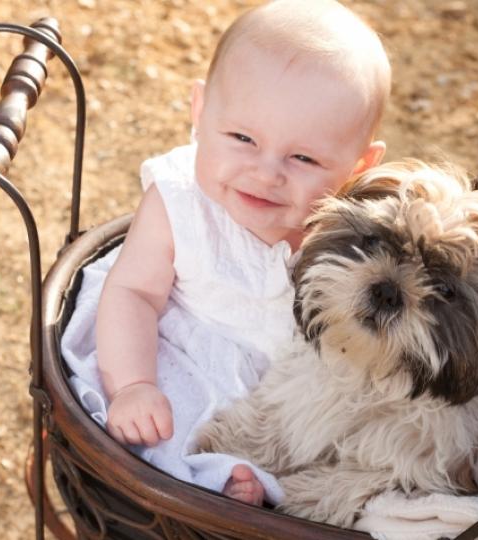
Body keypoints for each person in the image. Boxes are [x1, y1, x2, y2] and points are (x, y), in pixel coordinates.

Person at [60, 0, 390, 507]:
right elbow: (133, 295)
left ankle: (250, 488)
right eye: (242, 138)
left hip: (279, 389)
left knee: (336, 436)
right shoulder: (179, 204)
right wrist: (133, 383)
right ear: (199, 112)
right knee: (163, 422)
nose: (266, 172)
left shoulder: (346, 232)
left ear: (357, 166)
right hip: (176, 350)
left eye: (303, 158)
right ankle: (209, 479)